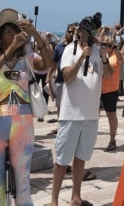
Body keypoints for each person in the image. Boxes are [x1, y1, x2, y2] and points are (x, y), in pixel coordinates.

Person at [0, 9, 52, 206]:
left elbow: (47, 64)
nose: (14, 35)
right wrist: (10, 49)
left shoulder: (27, 57)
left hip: (22, 121)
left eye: (16, 31)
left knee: (23, 183)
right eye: (8, 32)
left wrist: (35, 34)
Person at [50, 23, 111, 206]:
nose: (90, 34)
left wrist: (104, 58)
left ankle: (75, 197)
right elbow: (67, 77)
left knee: (81, 157)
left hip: (91, 114)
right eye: (87, 30)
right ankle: (54, 201)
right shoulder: (70, 49)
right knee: (62, 160)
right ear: (80, 32)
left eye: (92, 31)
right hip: (71, 114)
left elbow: (108, 74)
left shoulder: (99, 51)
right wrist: (80, 58)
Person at [49, 22, 78, 125]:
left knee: (73, 104)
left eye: (74, 32)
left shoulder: (79, 47)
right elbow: (54, 63)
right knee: (59, 105)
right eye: (69, 31)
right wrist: (48, 76)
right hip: (60, 80)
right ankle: (60, 125)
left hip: (74, 81)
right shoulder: (59, 47)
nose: (71, 34)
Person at [98, 27, 121, 151]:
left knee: (111, 116)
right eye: (104, 44)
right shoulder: (99, 53)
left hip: (111, 90)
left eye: (107, 44)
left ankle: (112, 140)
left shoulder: (114, 55)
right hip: (97, 89)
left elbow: (121, 59)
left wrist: (115, 46)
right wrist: (101, 36)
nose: (105, 46)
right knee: (93, 115)